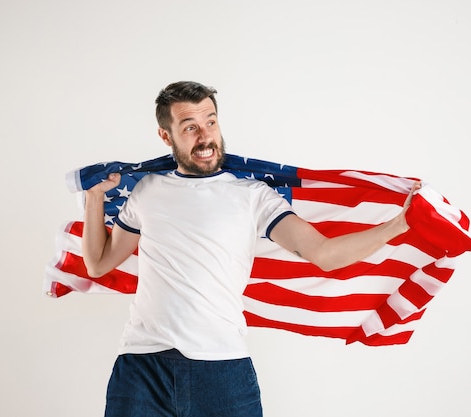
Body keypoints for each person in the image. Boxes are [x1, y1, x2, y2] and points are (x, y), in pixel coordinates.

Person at [82, 81, 420, 417]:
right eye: (190, 127)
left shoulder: (252, 195)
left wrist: (398, 225)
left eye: (211, 122)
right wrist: (94, 197)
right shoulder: (147, 190)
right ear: (166, 136)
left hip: (222, 371)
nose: (205, 136)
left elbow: (324, 254)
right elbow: (98, 264)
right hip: (143, 368)